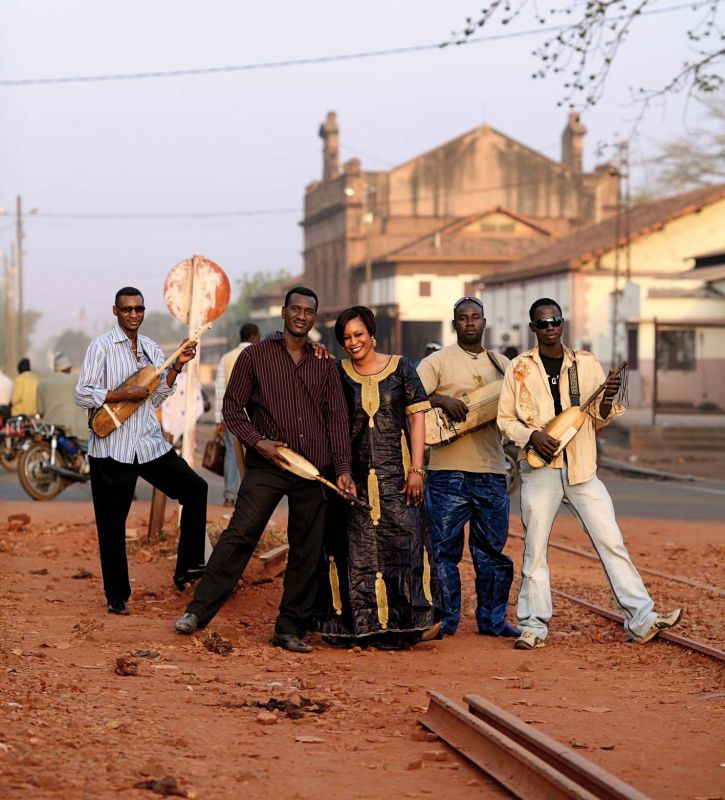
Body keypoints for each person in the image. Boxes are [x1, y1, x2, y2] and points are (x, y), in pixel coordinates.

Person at [175, 287, 355, 653]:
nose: (302, 316)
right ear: (284, 312)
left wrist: (343, 469)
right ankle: (197, 612)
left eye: (309, 311)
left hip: (312, 469)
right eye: (296, 309)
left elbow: (337, 420)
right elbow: (232, 408)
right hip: (268, 464)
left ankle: (289, 629)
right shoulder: (255, 356)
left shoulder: (325, 363)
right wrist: (259, 442)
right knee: (240, 534)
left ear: (314, 318)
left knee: (307, 548)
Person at [497, 297, 682, 650]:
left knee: (611, 542)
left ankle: (641, 619)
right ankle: (533, 626)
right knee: (535, 552)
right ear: (533, 328)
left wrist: (609, 398)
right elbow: (505, 421)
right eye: (543, 323)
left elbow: (599, 416)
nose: (550, 327)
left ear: (562, 324)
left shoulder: (585, 363)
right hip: (539, 470)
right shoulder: (519, 368)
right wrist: (532, 435)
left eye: (555, 321)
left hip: (583, 469)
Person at [75, 287, 207, 615]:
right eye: (127, 309)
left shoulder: (150, 348)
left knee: (196, 489)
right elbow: (82, 394)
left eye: (139, 309)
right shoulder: (101, 347)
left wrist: (177, 366)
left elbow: (157, 397)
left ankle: (187, 568)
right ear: (116, 311)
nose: (133, 314)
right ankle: (117, 595)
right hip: (111, 448)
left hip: (148, 444)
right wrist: (122, 394)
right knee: (112, 524)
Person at [315, 306, 441, 649]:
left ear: (372, 334)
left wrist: (417, 470)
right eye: (346, 338)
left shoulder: (401, 369)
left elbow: (416, 421)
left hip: (397, 476)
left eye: (358, 335)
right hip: (351, 480)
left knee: (405, 546)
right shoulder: (336, 372)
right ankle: (360, 626)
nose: (353, 343)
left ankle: (407, 625)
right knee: (356, 552)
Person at [417, 296, 518, 638]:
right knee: (443, 551)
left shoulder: (501, 364)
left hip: (491, 469)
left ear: (484, 322)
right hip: (447, 473)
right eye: (463, 318)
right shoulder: (438, 362)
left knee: (491, 551)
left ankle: (492, 621)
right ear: (454, 323)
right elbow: (408, 396)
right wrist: (442, 400)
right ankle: (445, 620)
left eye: (476, 317)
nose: (470, 322)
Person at [214, 323, 260, 505]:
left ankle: (229, 495)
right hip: (254, 415)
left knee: (232, 453)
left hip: (231, 414)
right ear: (254, 337)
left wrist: (219, 420)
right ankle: (250, 495)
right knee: (256, 454)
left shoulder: (226, 358)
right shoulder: (260, 355)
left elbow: (219, 390)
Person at [36, 353, 87, 439]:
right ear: (68, 367)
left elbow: (40, 410)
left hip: (50, 431)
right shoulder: (76, 380)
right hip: (75, 431)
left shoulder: (42, 383)